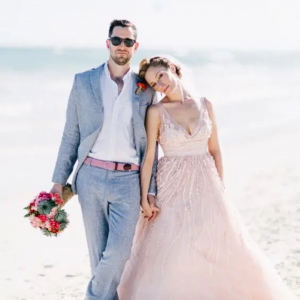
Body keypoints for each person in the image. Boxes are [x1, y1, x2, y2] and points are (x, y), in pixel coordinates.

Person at [117, 56, 295, 299]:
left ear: (171, 68)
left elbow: (216, 150)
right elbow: (149, 156)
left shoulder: (205, 104)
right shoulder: (156, 112)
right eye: (154, 84)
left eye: (160, 76)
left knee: (214, 243)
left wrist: (220, 187)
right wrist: (145, 197)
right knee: (174, 244)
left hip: (207, 181)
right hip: (171, 183)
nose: (160, 85)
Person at [50, 20, 158, 300]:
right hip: (90, 177)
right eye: (117, 40)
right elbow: (70, 135)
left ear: (136, 47)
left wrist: (151, 190)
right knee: (98, 255)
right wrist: (57, 182)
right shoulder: (83, 81)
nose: (122, 46)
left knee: (119, 253)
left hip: (128, 180)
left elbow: (151, 145)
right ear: (107, 42)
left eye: (128, 41)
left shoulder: (146, 88)